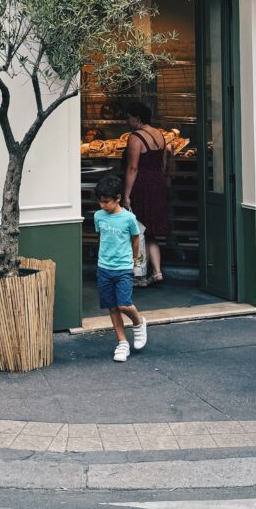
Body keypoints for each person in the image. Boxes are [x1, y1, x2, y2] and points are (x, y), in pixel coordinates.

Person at [94, 173, 147, 362]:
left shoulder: (129, 218)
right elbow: (102, 238)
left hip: (123, 267)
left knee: (124, 303)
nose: (103, 206)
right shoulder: (98, 216)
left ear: (118, 198)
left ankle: (139, 322)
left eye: (106, 202)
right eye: (100, 202)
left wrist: (133, 261)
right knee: (112, 307)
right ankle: (122, 343)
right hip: (104, 267)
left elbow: (134, 239)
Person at [123, 102, 169, 286]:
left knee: (139, 231)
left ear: (137, 118)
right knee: (152, 233)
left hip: (142, 185)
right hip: (157, 182)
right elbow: (164, 162)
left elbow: (133, 168)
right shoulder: (159, 134)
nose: (127, 121)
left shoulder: (135, 138)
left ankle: (140, 276)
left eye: (129, 118)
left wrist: (126, 194)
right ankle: (157, 272)